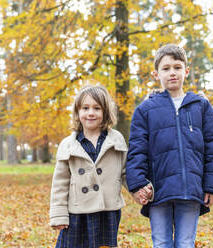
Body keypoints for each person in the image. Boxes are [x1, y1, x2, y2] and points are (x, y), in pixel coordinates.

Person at [126, 44, 213, 248]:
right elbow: (137, 151)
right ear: (156, 74)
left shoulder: (201, 106)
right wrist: (137, 185)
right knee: (161, 242)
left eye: (177, 67)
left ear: (186, 71)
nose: (172, 73)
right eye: (166, 68)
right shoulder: (145, 110)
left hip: (190, 189)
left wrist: (212, 186)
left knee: (185, 243)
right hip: (158, 191)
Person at [50, 85, 150, 248]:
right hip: (77, 211)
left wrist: (138, 189)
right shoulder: (68, 145)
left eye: (97, 108)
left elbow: (125, 172)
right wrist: (58, 215)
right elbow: (59, 184)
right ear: (77, 112)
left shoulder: (116, 139)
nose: (91, 113)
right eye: (85, 108)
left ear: (105, 112)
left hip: (107, 210)